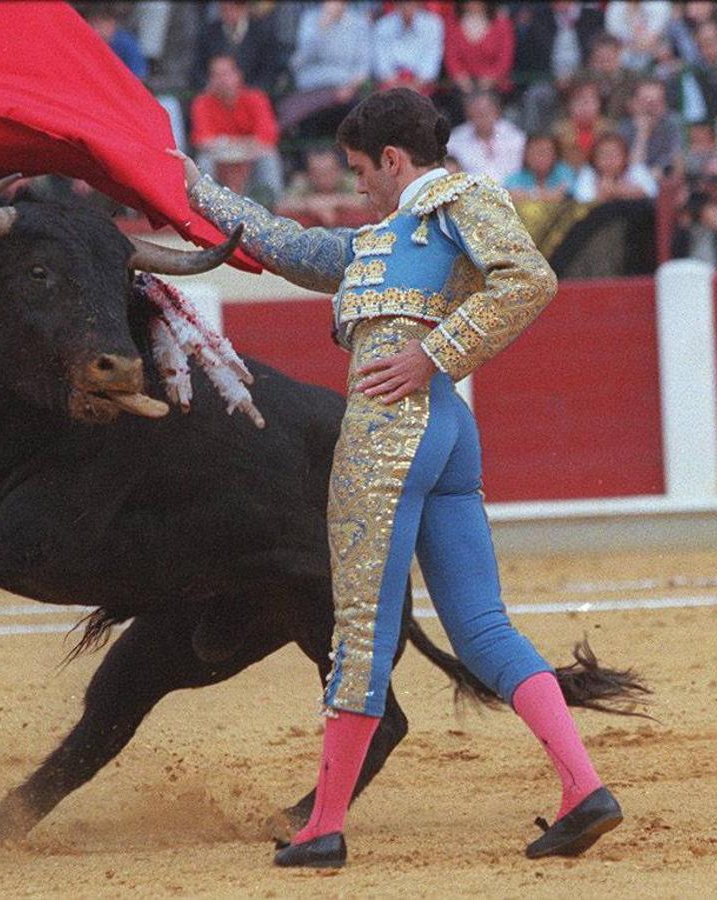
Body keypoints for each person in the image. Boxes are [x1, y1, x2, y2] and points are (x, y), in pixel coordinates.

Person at [171, 87, 625, 868]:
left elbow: (529, 279)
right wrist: (181, 180)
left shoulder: (459, 198)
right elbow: (283, 242)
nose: (355, 186)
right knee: (481, 630)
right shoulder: (380, 239)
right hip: (445, 433)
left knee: (361, 630)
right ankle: (584, 790)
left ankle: (323, 827)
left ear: (392, 159)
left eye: (359, 170)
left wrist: (432, 354)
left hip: (397, 428)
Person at [189, 54, 284, 205]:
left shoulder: (256, 98)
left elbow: (268, 136)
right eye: (215, 75)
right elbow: (202, 140)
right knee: (204, 160)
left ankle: (272, 202)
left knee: (269, 156)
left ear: (238, 75)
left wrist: (230, 145)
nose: (221, 80)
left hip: (250, 159)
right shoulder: (202, 102)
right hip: (220, 160)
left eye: (226, 74)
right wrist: (240, 145)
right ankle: (206, 204)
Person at [278, 1, 371, 137]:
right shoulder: (310, 19)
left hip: (346, 90)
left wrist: (349, 88)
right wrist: (322, 28)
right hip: (312, 89)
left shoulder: (359, 22)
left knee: (356, 113)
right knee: (302, 115)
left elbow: (363, 67)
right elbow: (300, 62)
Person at [190, 1, 286, 94]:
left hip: (252, 97)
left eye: (235, 7)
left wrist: (251, 92)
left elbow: (270, 69)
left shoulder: (263, 33)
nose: (230, 12)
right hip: (215, 96)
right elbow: (197, 68)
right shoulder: (208, 33)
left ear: (244, 8)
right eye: (225, 8)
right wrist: (209, 86)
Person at [445, 91, 526, 183]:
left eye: (486, 112)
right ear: (468, 115)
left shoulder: (515, 136)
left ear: (497, 112)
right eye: (476, 114)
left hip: (513, 191)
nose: (482, 118)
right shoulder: (455, 140)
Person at [277, 147, 367, 227]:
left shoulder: (350, 180)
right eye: (317, 173)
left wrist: (333, 201)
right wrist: (310, 205)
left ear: (339, 171)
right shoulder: (301, 182)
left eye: (328, 172)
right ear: (309, 174)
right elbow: (282, 206)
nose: (323, 178)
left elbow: (365, 201)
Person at [372, 1, 444, 95]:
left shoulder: (434, 24)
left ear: (418, 4)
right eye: (403, 3)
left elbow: (431, 62)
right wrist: (397, 85)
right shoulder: (382, 25)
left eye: (411, 3)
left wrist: (415, 85)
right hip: (391, 84)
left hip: (421, 84)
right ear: (396, 5)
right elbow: (382, 64)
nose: (407, 7)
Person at [616, 78, 683, 176]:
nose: (651, 108)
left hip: (663, 182)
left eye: (657, 102)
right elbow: (632, 169)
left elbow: (675, 164)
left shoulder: (671, 126)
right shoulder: (622, 130)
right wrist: (642, 133)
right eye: (645, 101)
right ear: (633, 104)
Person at [571, 130, 658, 202]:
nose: (609, 160)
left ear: (625, 157)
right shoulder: (588, 172)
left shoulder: (636, 169)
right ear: (594, 159)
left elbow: (652, 193)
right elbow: (583, 199)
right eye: (603, 154)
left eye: (615, 154)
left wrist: (615, 190)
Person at [551, 76, 614, 169]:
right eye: (578, 101)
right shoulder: (557, 130)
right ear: (569, 105)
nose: (584, 106)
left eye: (590, 101)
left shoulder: (609, 129)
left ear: (599, 104)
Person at [604, 0, 673, 73]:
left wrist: (630, 43)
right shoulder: (614, 6)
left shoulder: (660, 4)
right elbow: (613, 42)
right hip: (621, 64)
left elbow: (649, 41)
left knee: (663, 51)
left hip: (654, 62)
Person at [503, 133, 576, 201]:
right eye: (536, 152)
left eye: (545, 152)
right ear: (526, 155)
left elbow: (565, 194)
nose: (540, 157)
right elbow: (509, 195)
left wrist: (529, 195)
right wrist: (547, 195)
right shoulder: (515, 178)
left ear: (554, 155)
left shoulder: (565, 172)